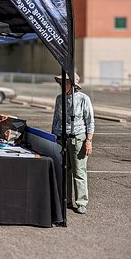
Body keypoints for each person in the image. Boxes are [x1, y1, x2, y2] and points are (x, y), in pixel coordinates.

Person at [52, 73, 94, 215]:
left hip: (79, 139)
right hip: (62, 138)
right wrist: (54, 136)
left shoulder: (83, 99)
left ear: (72, 84)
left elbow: (90, 121)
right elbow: (56, 119)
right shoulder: (59, 99)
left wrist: (88, 140)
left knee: (79, 171)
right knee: (65, 170)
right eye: (61, 83)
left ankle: (81, 202)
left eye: (65, 82)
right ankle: (67, 200)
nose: (62, 85)